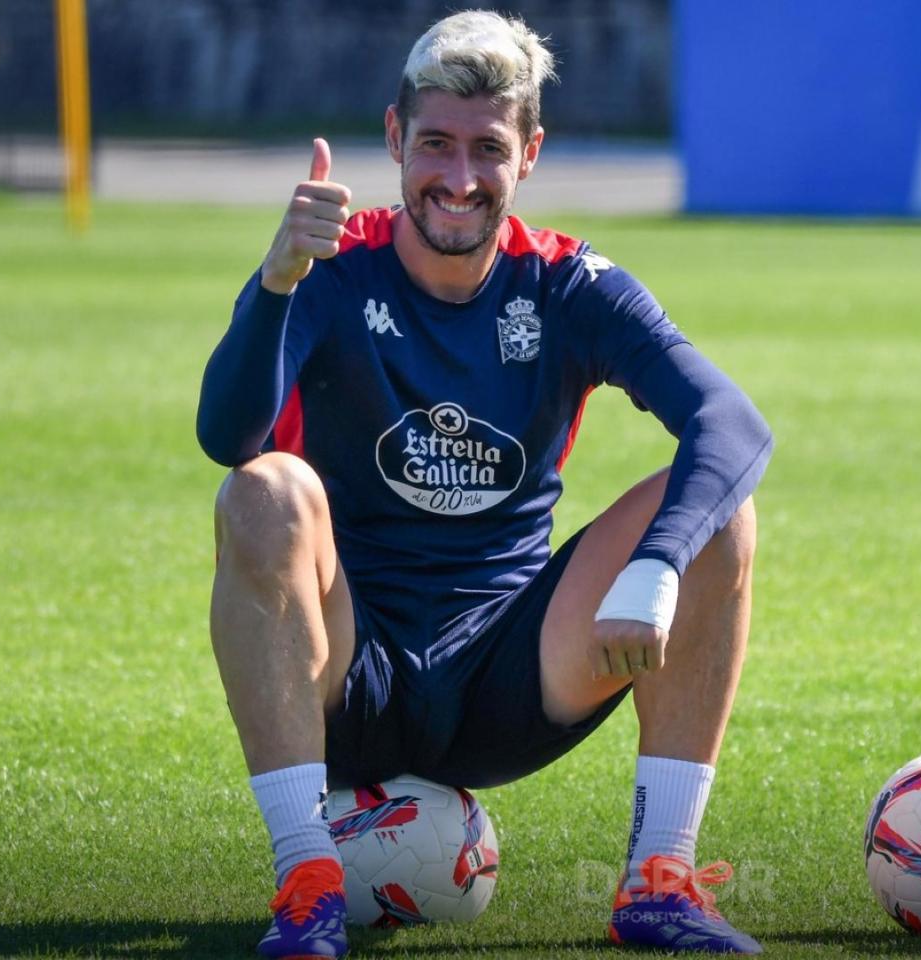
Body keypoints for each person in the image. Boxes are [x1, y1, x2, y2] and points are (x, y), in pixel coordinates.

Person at [195, 11, 772, 957]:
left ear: (530, 154)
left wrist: (659, 566)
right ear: (394, 138)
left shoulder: (572, 287)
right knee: (263, 492)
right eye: (434, 145)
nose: (458, 180)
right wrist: (276, 280)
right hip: (349, 667)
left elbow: (732, 422)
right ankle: (306, 885)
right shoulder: (332, 270)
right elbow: (227, 435)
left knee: (720, 517)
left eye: (487, 151)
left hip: (513, 673)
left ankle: (660, 883)